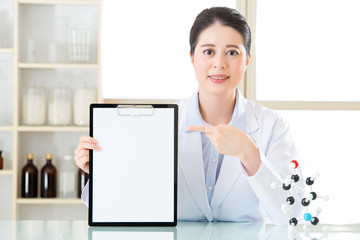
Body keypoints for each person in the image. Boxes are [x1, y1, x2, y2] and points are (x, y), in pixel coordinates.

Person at [74, 6, 302, 225]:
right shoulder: (157, 123)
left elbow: (291, 215)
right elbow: (125, 210)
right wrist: (106, 172)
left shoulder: (272, 125)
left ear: (247, 59)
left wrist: (250, 155)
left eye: (232, 52)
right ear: (192, 57)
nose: (219, 64)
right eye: (208, 52)